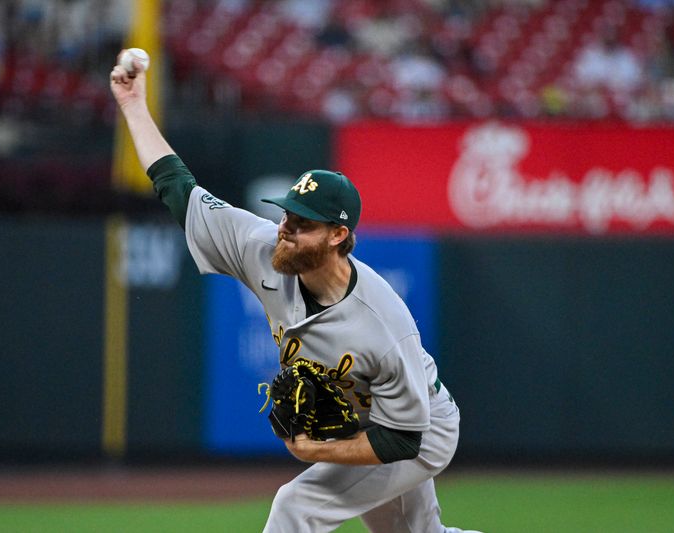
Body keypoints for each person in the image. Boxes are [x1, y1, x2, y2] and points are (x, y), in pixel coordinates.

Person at [109, 55, 480, 533]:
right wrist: (134, 105)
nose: (284, 229)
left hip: (419, 430)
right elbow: (177, 189)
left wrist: (317, 451)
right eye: (286, 214)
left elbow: (404, 440)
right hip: (367, 420)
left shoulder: (380, 321)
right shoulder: (262, 248)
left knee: (295, 505)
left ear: (336, 237)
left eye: (302, 224)